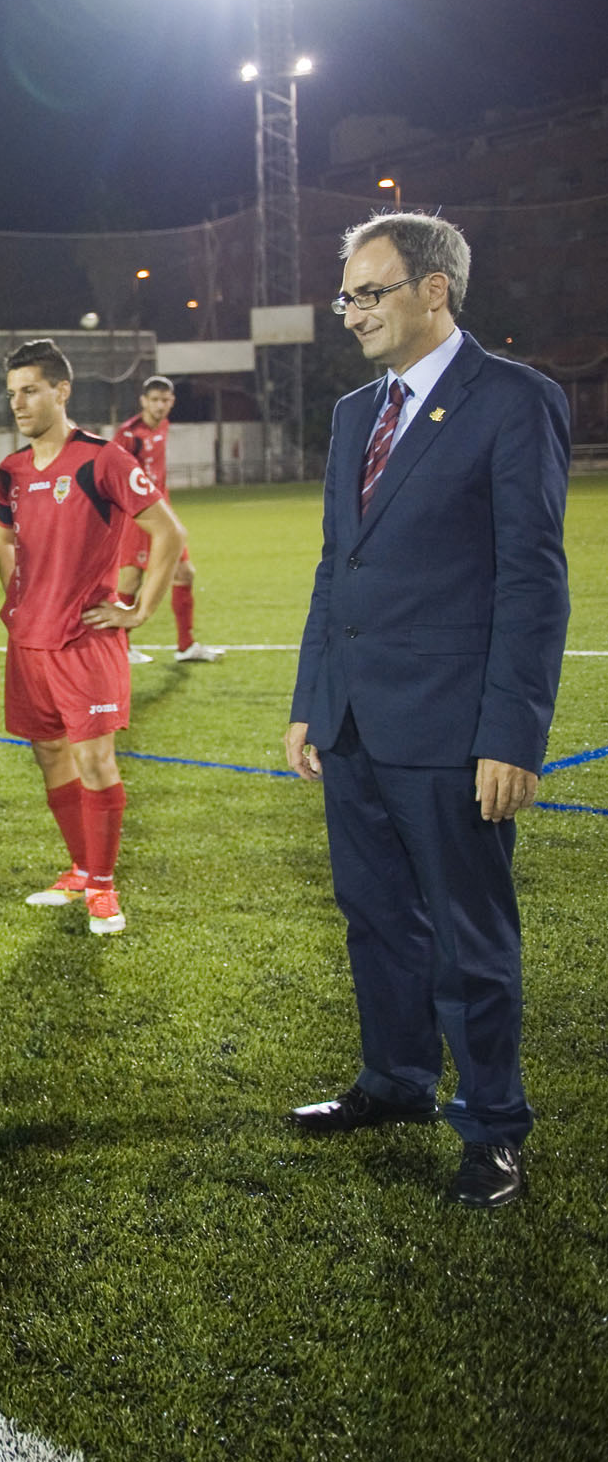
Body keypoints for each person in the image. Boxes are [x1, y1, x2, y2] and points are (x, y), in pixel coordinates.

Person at [284, 212, 571, 1210]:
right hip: (355, 722)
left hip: (453, 731)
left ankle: (492, 1124)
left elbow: (531, 584)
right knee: (374, 922)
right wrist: (310, 698)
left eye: (369, 292)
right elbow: (336, 564)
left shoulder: (512, 402)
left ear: (434, 290)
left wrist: (510, 733)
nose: (350, 311)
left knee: (468, 937)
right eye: (346, 294)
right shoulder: (354, 413)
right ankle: (394, 1081)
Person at [0, 339, 186, 936]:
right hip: (29, 641)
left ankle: (104, 886)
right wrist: (16, 600)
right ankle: (79, 868)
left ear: (61, 390)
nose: (19, 404)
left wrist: (139, 611)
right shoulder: (13, 470)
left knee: (96, 760)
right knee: (49, 752)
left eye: (29, 390)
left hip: (86, 639)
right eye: (11, 394)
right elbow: (4, 540)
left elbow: (167, 533)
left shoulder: (102, 459)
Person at [112, 376, 222, 664]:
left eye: (165, 400)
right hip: (138, 517)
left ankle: (186, 646)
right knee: (131, 578)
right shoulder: (128, 434)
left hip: (164, 513)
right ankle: (119, 648)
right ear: (143, 401)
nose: (160, 405)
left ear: (171, 402)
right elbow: (115, 478)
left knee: (185, 573)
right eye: (155, 400)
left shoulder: (163, 426)